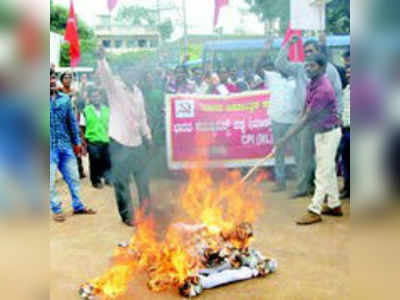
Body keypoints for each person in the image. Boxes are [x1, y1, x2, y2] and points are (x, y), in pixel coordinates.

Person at [275, 53, 343, 225]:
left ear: (321, 67)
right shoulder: (312, 84)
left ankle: (314, 210)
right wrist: (286, 136)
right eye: (306, 65)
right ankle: (334, 205)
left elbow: (306, 118)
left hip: (329, 134)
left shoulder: (323, 90)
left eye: (312, 65)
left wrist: (285, 137)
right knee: (328, 170)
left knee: (322, 172)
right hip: (321, 133)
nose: (307, 68)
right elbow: (304, 112)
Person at [96, 47, 153, 227]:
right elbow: (105, 76)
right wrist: (102, 59)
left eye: (135, 71)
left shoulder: (138, 92)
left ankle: (147, 212)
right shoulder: (114, 88)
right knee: (121, 182)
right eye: (129, 71)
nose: (133, 74)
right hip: (119, 142)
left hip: (137, 141)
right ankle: (127, 215)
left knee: (143, 180)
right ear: (122, 73)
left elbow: (142, 117)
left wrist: (148, 137)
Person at [50, 69, 96, 222]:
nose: (50, 81)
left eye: (52, 78)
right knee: (49, 182)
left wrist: (77, 142)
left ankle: (78, 206)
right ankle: (56, 209)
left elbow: (71, 122)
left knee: (74, 178)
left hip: (66, 146)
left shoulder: (64, 100)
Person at [266, 69, 302, 192]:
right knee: (278, 152)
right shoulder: (272, 77)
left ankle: (302, 182)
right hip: (277, 120)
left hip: (293, 121)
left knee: (298, 153)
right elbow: (256, 68)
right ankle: (280, 182)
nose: (283, 67)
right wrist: (265, 51)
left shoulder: (297, 77)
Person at [83, 87, 112, 189]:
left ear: (100, 97)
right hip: (92, 141)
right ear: (90, 98)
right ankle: (95, 180)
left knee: (107, 161)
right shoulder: (86, 110)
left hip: (106, 139)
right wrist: (83, 143)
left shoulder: (107, 110)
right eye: (93, 96)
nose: (96, 98)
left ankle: (108, 179)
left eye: (97, 96)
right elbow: (82, 126)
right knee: (94, 161)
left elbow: (111, 125)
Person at [339, 64, 350, 199]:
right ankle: (348, 188)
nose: (348, 75)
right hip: (345, 131)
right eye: (347, 73)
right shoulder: (346, 90)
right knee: (346, 161)